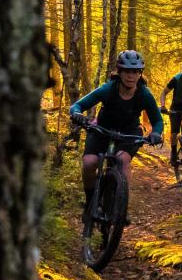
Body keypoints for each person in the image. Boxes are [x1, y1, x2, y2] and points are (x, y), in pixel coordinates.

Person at [69, 50, 163, 208]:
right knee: (89, 162)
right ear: (119, 72)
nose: (131, 76)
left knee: (122, 159)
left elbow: (157, 120)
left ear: (140, 74)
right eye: (127, 71)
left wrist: (156, 133)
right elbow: (77, 105)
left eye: (135, 72)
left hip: (129, 132)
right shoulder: (108, 89)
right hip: (102, 129)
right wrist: (77, 113)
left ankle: (121, 205)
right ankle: (90, 200)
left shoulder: (145, 94)